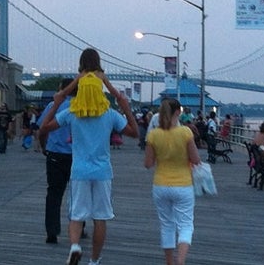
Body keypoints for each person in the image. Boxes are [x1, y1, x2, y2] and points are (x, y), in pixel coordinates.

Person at [38, 48, 138, 265]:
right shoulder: (109, 114)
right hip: (102, 172)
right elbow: (135, 132)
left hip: (80, 171)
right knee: (100, 218)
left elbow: (44, 127)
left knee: (77, 215)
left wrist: (59, 99)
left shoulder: (72, 112)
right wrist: (123, 104)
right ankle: (94, 260)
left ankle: (75, 246)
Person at [144, 98, 201, 265]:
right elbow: (196, 159)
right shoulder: (185, 133)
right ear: (178, 112)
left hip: (161, 184)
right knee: (185, 225)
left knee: (167, 225)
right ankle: (180, 261)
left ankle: (169, 262)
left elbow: (148, 164)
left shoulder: (153, 134)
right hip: (183, 185)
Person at [37, 79, 87, 244]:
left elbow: (42, 129)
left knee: (54, 194)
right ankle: (80, 227)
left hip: (55, 155)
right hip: (78, 156)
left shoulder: (53, 106)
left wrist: (44, 147)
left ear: (60, 89)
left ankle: (52, 231)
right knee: (79, 194)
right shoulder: (84, 107)